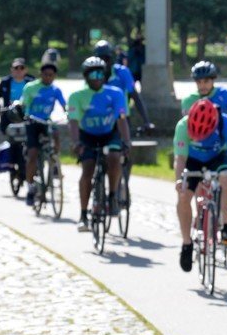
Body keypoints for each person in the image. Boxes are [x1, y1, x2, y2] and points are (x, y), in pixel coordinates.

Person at [174, 98, 227, 271]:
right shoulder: (183, 126)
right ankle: (187, 243)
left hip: (217, 158)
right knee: (183, 196)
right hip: (192, 160)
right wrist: (179, 180)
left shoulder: (226, 124)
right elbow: (180, 158)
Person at [67, 56, 130, 230]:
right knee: (87, 170)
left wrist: (126, 141)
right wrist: (75, 142)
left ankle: (112, 196)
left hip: (109, 134)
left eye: (100, 73)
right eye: (92, 74)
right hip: (87, 135)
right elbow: (73, 122)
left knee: (114, 156)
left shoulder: (115, 93)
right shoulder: (77, 96)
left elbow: (122, 118)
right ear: (86, 77)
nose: (97, 77)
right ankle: (83, 214)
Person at [182, 60, 227, 179]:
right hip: (199, 146)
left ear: (213, 80)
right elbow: (188, 127)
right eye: (199, 82)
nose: (202, 85)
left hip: (222, 144)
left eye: (206, 81)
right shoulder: (188, 101)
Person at [19, 61, 68, 206]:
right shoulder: (31, 87)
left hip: (46, 121)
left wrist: (69, 113)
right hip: (33, 121)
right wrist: (22, 108)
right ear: (40, 74)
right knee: (33, 154)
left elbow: (64, 105)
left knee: (56, 135)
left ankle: (54, 162)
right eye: (45, 75)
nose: (48, 78)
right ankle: (30, 187)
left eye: (51, 75)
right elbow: (24, 102)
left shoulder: (55, 90)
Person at [95, 40, 154, 131]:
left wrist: (146, 121)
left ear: (112, 58)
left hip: (121, 119)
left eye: (106, 58)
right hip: (99, 119)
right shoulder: (92, 75)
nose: (104, 62)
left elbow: (135, 96)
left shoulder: (122, 72)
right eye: (100, 59)